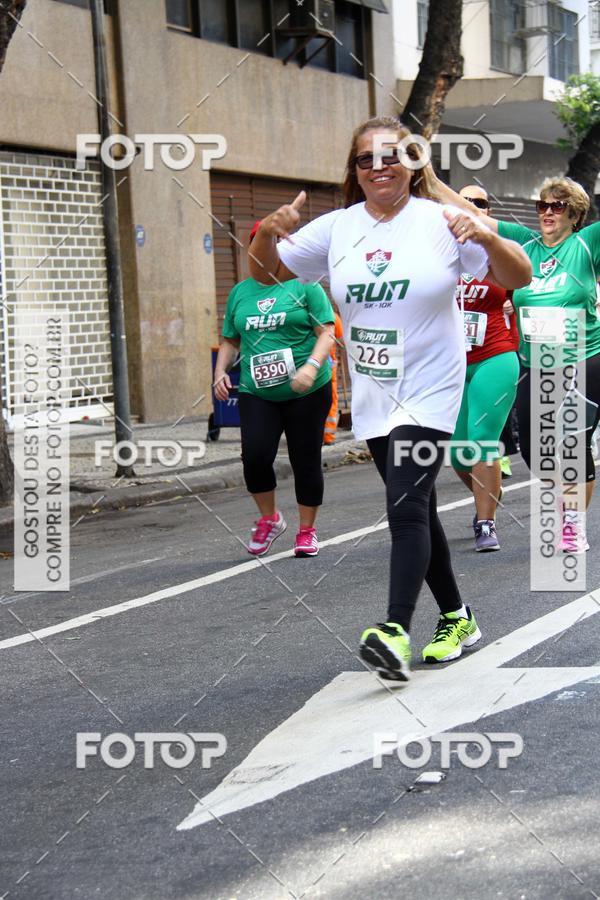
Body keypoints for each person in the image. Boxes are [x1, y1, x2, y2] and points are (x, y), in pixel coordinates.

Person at [248, 116, 531, 681]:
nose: (379, 167)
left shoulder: (442, 221)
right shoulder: (337, 228)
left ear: (413, 162)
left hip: (432, 388)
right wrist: (266, 231)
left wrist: (489, 236)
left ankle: (394, 630)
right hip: (377, 394)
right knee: (418, 507)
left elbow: (517, 276)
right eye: (365, 159)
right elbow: (263, 271)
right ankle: (459, 617)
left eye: (391, 155)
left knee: (403, 504)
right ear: (354, 171)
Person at [434, 175, 600, 553]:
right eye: (542, 205)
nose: (547, 212)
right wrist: (426, 177)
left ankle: (572, 523)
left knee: (572, 443)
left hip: (584, 359)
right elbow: (468, 212)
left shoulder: (587, 244)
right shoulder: (523, 243)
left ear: (574, 214)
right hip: (536, 363)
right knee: (535, 451)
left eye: (557, 206)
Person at [213, 221, 335, 558]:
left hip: (307, 390)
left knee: (305, 458)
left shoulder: (306, 285)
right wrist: (220, 371)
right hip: (257, 390)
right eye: (259, 244)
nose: (266, 250)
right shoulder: (240, 292)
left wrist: (311, 367)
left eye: (274, 243)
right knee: (255, 457)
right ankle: (270, 519)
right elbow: (230, 339)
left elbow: (326, 331)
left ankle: (307, 531)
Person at [451, 184, 520, 552]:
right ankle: (489, 493)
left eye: (480, 203)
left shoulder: (499, 246)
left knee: (480, 441)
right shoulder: (440, 247)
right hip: (450, 364)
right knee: (457, 452)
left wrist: (516, 311)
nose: (473, 207)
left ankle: (485, 522)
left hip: (496, 355)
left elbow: (527, 285)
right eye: (466, 202)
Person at [323, 310, 344, 445]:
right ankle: (328, 436)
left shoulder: (303, 313)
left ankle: (315, 436)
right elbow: (342, 341)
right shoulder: (333, 316)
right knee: (330, 400)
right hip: (328, 365)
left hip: (307, 364)